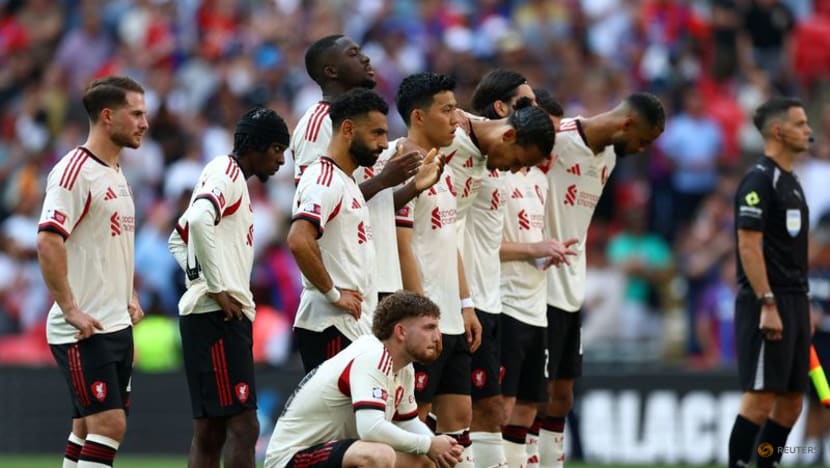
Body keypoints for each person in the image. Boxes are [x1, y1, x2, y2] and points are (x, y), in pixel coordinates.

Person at [539, 93, 665, 468]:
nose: (642, 149)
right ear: (627, 123)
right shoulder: (556, 140)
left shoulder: (608, 157)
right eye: (644, 139)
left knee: (562, 397)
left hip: (571, 291)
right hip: (534, 286)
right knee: (532, 397)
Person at [462, 70, 574, 468]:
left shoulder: (534, 178)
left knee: (526, 406)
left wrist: (544, 252)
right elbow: (474, 240)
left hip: (526, 302)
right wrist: (530, 250)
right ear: (502, 109)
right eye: (527, 106)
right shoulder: (480, 162)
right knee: (489, 408)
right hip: (493, 301)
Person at [167, 106, 289, 468]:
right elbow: (200, 219)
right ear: (256, 146)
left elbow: (179, 237)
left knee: (211, 430)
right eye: (277, 150)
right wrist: (216, 288)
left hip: (211, 315)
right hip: (217, 317)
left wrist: (199, 280)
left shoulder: (224, 174)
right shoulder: (228, 173)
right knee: (244, 426)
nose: (281, 160)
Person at [36, 75, 148, 468]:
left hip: (115, 323)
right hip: (84, 329)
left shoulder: (115, 171)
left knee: (86, 428)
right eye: (135, 113)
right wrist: (69, 308)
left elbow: (106, 246)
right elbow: (49, 240)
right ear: (106, 116)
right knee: (109, 425)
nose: (144, 123)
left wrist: (129, 294)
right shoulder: (74, 172)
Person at [264, 291, 464, 468]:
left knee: (425, 458)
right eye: (429, 328)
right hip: (291, 458)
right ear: (401, 332)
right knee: (379, 455)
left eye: (437, 328)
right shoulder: (372, 355)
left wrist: (440, 448)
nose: (438, 337)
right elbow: (370, 428)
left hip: (332, 454)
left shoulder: (403, 367)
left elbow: (408, 422)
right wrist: (429, 444)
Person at [392, 71, 480, 467]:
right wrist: (419, 314)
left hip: (452, 318)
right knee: (417, 424)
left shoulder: (441, 167)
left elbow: (450, 239)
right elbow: (401, 245)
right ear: (419, 116)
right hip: (426, 318)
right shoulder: (402, 164)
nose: (456, 119)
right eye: (446, 110)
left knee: (460, 418)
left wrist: (466, 303)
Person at [296, 34, 423, 302]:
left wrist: (414, 184)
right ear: (331, 71)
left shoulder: (365, 124)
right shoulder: (319, 124)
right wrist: (385, 180)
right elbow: (311, 206)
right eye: (353, 54)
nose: (365, 58)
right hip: (345, 284)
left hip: (381, 273)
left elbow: (374, 204)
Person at [728, 97, 813, 468]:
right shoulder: (760, 179)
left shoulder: (792, 181)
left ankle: (764, 463)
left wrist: (801, 306)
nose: (808, 130)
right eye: (800, 124)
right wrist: (768, 303)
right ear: (778, 131)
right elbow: (748, 243)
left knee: (793, 401)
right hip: (768, 301)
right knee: (760, 398)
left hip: (794, 301)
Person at [288, 88, 389, 372]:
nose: (383, 143)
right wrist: (333, 294)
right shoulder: (324, 179)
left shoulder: (346, 182)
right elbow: (298, 239)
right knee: (339, 417)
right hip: (332, 324)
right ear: (347, 129)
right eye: (376, 133)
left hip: (352, 325)